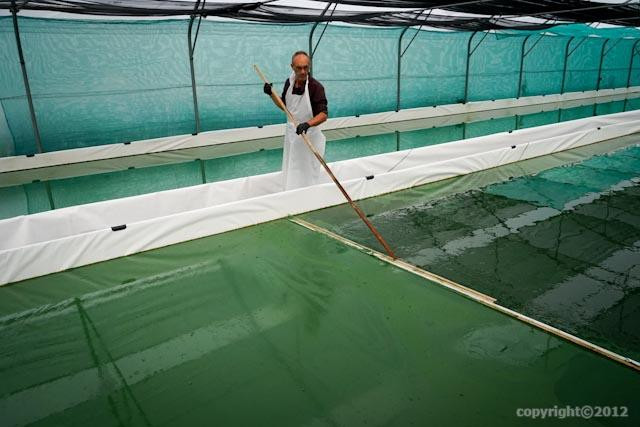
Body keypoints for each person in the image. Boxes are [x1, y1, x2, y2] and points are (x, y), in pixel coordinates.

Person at [263, 51, 328, 190]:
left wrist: (307, 124)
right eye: (299, 68)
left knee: (308, 171)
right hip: (292, 135)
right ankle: (290, 193)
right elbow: (285, 108)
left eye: (306, 67)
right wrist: (271, 94)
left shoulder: (315, 87)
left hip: (309, 136)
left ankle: (310, 195)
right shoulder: (289, 82)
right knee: (291, 167)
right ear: (292, 66)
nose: (303, 71)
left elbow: (323, 114)